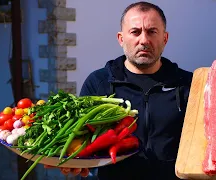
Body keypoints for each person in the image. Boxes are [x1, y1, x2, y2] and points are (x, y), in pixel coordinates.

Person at [45, 1, 193, 179]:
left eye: (152, 32)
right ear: (121, 38)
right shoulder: (99, 83)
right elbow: (82, 138)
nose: (144, 40)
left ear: (165, 38)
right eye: (135, 32)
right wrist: (78, 162)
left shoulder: (187, 84)